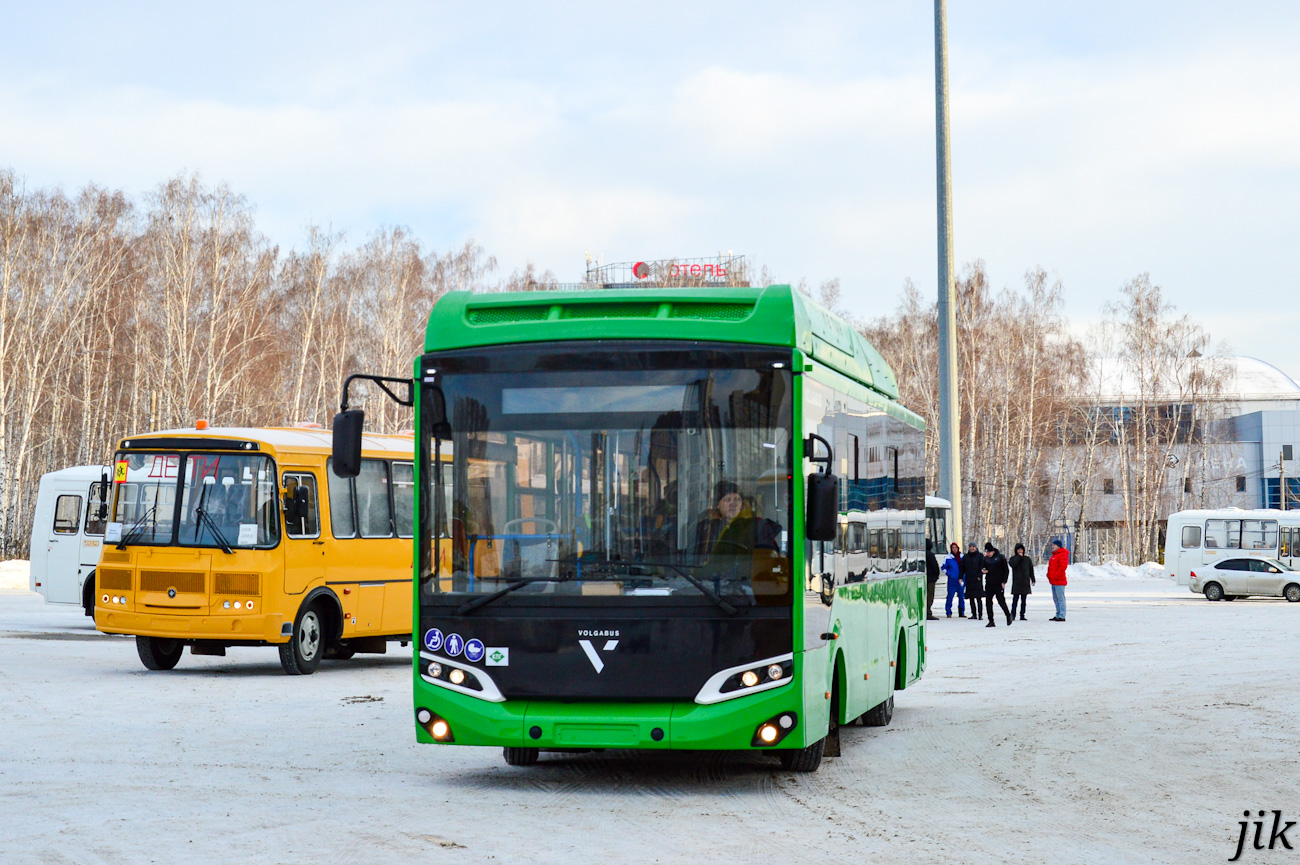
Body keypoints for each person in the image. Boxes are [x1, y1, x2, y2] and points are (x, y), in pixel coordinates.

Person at [983, 542, 1012, 627]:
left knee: (1001, 601)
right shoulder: (985, 559)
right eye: (987, 552)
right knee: (988, 602)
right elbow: (982, 567)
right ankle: (991, 620)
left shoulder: (1000, 558)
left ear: (993, 551)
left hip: (998, 583)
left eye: (989, 552)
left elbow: (1006, 570)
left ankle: (1008, 615)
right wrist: (983, 571)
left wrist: (1004, 581)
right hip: (989, 583)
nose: (988, 554)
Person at [1008, 543, 1035, 621]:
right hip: (1017, 583)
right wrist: (1018, 557)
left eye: (1021, 550)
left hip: (1025, 582)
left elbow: (1031, 570)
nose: (1020, 551)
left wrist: (1032, 579)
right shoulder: (1013, 559)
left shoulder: (1027, 559)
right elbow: (1013, 564)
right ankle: (1013, 615)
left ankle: (1022, 614)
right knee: (1015, 600)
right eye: (1018, 550)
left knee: (1024, 601)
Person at [1046, 538, 1070, 621]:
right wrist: (1049, 575)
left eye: (1054, 545)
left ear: (1058, 546)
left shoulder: (1062, 554)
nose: (1052, 546)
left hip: (1059, 581)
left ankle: (1062, 615)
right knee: (1056, 599)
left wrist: (1055, 575)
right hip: (1053, 581)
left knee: (1060, 599)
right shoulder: (1054, 555)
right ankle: (1058, 614)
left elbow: (1062, 567)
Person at [961, 543, 985, 621]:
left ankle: (980, 614)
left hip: (977, 580)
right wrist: (960, 577)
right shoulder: (966, 557)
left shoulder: (980, 556)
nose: (972, 548)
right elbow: (962, 568)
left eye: (973, 547)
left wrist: (979, 575)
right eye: (970, 547)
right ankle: (973, 614)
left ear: (976, 547)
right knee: (971, 598)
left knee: (978, 598)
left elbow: (982, 567)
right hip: (969, 579)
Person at [943, 541, 965, 617]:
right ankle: (948, 612)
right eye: (953, 548)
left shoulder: (962, 557)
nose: (954, 549)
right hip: (952, 580)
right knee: (950, 596)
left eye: (955, 548)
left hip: (961, 579)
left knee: (961, 596)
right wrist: (949, 574)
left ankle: (961, 612)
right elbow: (943, 567)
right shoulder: (948, 557)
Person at [925, 540, 941, 620]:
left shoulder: (921, 555)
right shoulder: (930, 555)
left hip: (924, 578)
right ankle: (928, 612)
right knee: (929, 596)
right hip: (930, 579)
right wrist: (937, 575)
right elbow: (935, 566)